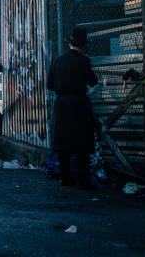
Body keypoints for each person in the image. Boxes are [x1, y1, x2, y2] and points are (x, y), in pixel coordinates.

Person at [47, 26, 98, 189]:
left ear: (69, 44)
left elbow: (50, 84)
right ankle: (83, 180)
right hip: (79, 104)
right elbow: (92, 81)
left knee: (63, 143)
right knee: (81, 143)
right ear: (84, 46)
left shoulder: (56, 59)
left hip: (61, 103)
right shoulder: (84, 61)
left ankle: (65, 178)